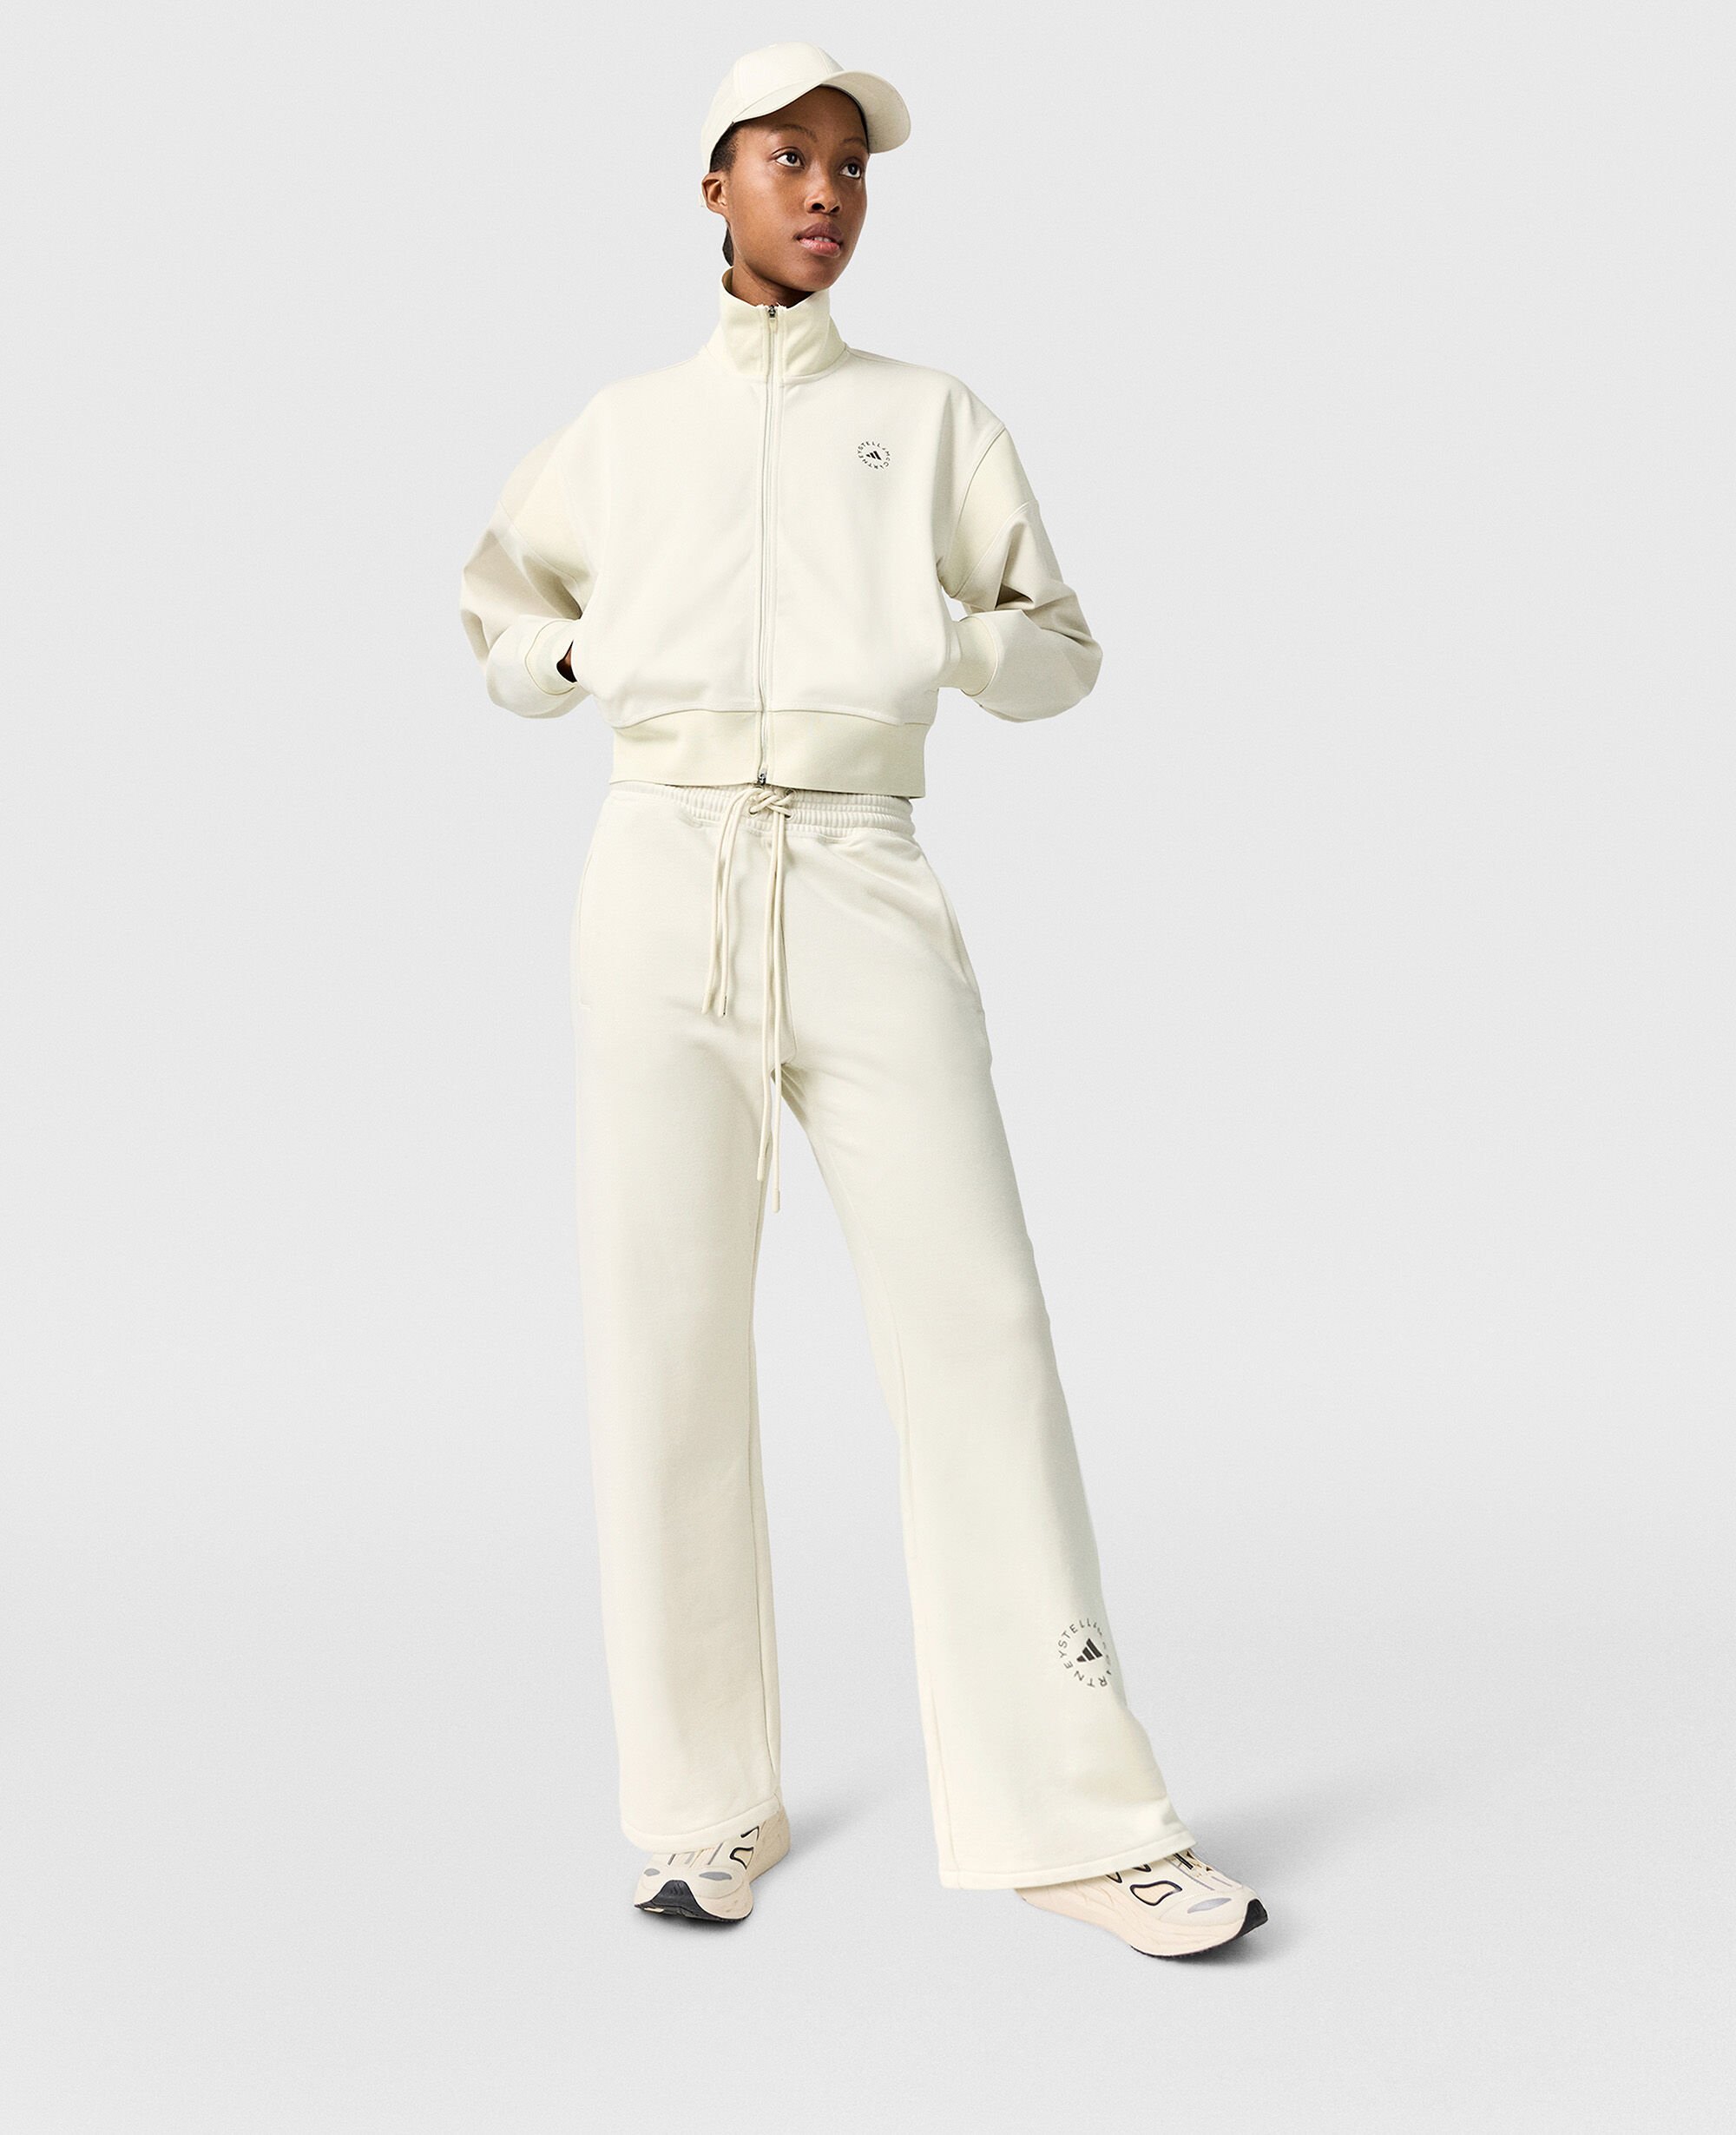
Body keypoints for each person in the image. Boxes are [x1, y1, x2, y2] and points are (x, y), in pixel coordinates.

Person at [458, 41, 1266, 1961]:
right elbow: (501, 613)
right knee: (662, 1341)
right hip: (656, 871)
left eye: (850, 166)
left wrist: (934, 637)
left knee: (976, 1325)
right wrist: (587, 651)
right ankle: (698, 1810)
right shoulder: (624, 427)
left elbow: (1060, 656)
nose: (826, 191)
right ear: (714, 188)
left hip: (859, 861)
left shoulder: (930, 417)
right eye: (786, 158)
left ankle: (1076, 1822)